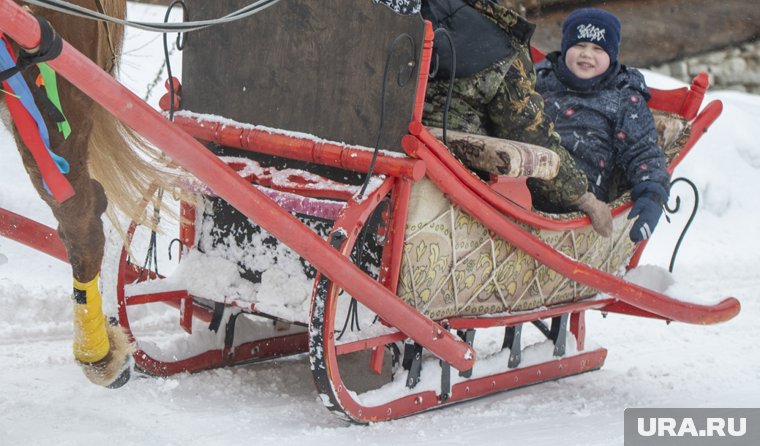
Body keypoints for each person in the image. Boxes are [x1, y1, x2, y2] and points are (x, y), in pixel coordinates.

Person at [420, 0, 613, 236]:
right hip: (457, 185)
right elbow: (529, 132)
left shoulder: (405, 12)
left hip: (390, 154)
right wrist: (582, 196)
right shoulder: (499, 44)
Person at [535, 8, 670, 242]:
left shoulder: (623, 98)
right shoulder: (541, 80)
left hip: (578, 203)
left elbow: (643, 151)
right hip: (519, 182)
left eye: (598, 49)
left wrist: (652, 193)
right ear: (565, 47)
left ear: (612, 56)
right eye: (579, 46)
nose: (587, 54)